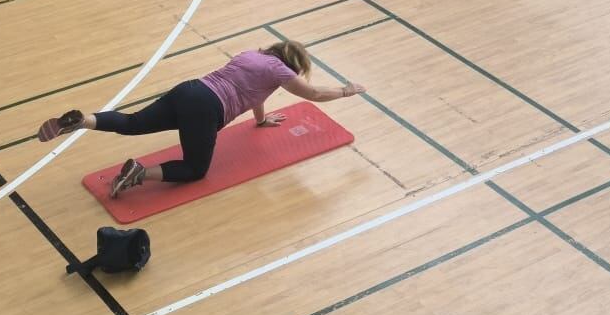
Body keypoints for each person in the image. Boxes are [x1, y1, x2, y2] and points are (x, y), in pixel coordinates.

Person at [34, 40, 366, 199]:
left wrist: (261, 120)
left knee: (134, 122)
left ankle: (82, 120)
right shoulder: (280, 71)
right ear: (293, 64)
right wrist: (345, 90)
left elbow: (256, 94)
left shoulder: (253, 56)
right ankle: (140, 173)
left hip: (191, 89)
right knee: (195, 171)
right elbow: (314, 94)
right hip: (207, 109)